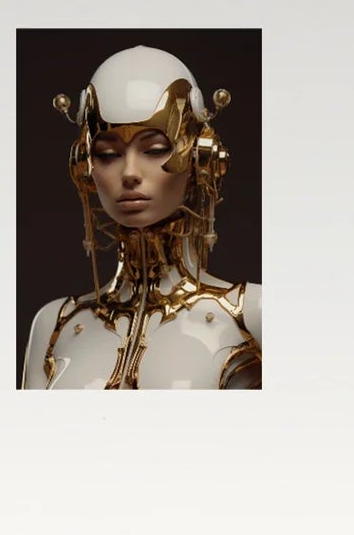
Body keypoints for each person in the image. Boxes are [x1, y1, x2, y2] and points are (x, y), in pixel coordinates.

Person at [21, 44, 261, 391]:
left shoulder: (251, 317)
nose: (130, 172)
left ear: (200, 157)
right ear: (84, 168)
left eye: (154, 149)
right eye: (107, 154)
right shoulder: (54, 325)